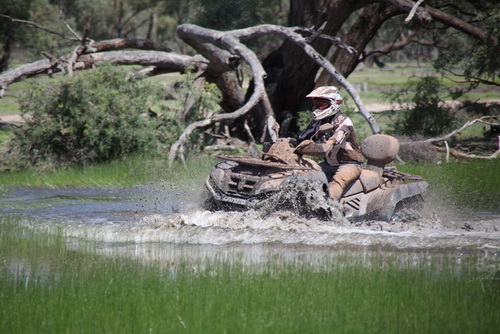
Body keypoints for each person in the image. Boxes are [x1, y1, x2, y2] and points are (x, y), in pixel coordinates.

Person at [294, 86, 364, 200]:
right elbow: (301, 137)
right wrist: (288, 143)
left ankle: (330, 210)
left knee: (337, 182)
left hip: (349, 164)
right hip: (328, 165)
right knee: (307, 176)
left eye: (322, 104)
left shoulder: (344, 121)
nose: (318, 107)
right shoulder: (316, 122)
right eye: (317, 104)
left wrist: (326, 143)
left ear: (334, 103)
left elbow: (334, 141)